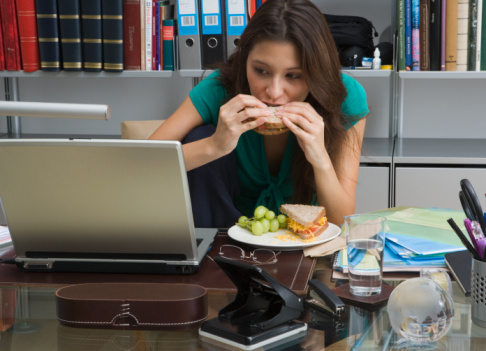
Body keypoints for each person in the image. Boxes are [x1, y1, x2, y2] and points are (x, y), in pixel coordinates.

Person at [150, 0, 369, 228]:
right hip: (225, 239)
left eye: (293, 76)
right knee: (200, 136)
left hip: (303, 240)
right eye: (261, 71)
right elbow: (139, 164)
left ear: (317, 71)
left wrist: (320, 158)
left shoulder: (346, 96)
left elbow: (339, 219)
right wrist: (214, 145)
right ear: (244, 60)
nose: (274, 92)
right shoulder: (219, 88)